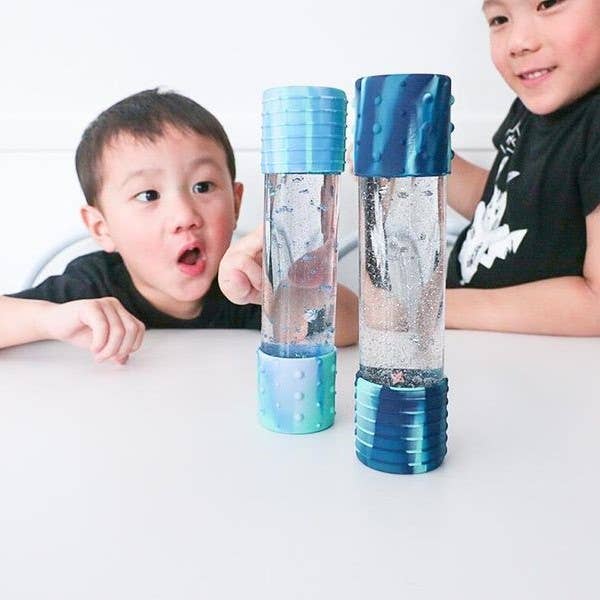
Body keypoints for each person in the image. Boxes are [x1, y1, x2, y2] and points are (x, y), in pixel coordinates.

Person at [0, 89, 358, 364]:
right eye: (148, 195)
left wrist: (282, 289)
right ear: (101, 227)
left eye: (203, 187)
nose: (185, 215)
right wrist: (48, 320)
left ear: (235, 203)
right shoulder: (90, 285)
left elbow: (351, 327)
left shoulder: (247, 281)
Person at [446, 0, 600, 336]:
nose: (518, 43)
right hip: (475, 341)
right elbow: (504, 206)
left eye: (549, 3)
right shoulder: (531, 109)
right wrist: (431, 157)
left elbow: (597, 305)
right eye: (500, 19)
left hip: (530, 359)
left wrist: (425, 309)